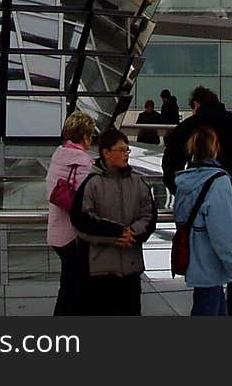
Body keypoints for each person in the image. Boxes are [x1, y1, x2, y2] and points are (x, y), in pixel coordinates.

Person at [163, 86, 232, 317]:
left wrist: (184, 191)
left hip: (199, 213)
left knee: (206, 274)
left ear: (196, 105)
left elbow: (169, 165)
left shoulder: (189, 127)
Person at [71, 128, 156, 315]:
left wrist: (131, 233)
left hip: (130, 270)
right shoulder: (91, 183)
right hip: (100, 271)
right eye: (121, 150)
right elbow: (82, 220)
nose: (126, 154)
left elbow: (149, 216)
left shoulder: (138, 182)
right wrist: (117, 234)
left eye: (127, 150)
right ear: (106, 153)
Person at [173, 126, 232, 317]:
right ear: (215, 148)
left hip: (193, 258)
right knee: (210, 305)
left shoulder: (184, 180)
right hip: (211, 263)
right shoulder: (219, 182)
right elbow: (223, 232)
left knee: (209, 303)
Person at [46, 110, 96, 315]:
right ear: (84, 137)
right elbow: (87, 200)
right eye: (91, 135)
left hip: (58, 234)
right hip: (74, 236)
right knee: (77, 288)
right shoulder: (82, 162)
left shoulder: (58, 156)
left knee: (67, 285)